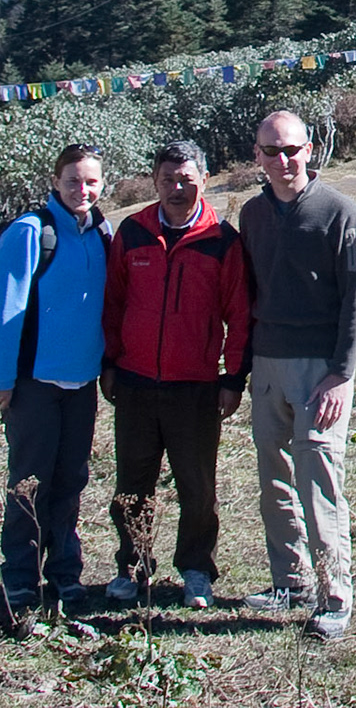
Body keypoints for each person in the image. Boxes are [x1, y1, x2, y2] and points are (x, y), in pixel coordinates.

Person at [237, 110, 356, 642]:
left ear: (310, 149)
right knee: (273, 475)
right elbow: (247, 292)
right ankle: (290, 582)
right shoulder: (252, 215)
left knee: (318, 475)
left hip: (322, 372)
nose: (283, 160)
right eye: (271, 151)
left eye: (291, 149)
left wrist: (341, 373)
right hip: (267, 364)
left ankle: (334, 594)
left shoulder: (340, 212)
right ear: (258, 157)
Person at [100, 140, 250, 609]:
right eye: (168, 179)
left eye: (186, 179)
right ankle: (132, 567)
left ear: (204, 180)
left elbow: (240, 315)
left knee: (197, 485)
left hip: (196, 387)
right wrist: (109, 363)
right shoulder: (132, 233)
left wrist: (232, 378)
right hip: (135, 383)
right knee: (132, 481)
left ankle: (196, 570)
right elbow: (112, 304)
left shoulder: (223, 240)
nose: (177, 189)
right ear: (154, 181)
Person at [0, 143, 111, 617]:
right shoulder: (30, 232)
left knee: (71, 480)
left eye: (91, 181)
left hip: (82, 382)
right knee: (30, 483)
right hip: (33, 383)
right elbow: (4, 310)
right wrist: (0, 379)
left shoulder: (101, 230)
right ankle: (20, 579)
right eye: (73, 180)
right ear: (55, 182)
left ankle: (65, 573)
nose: (83, 189)